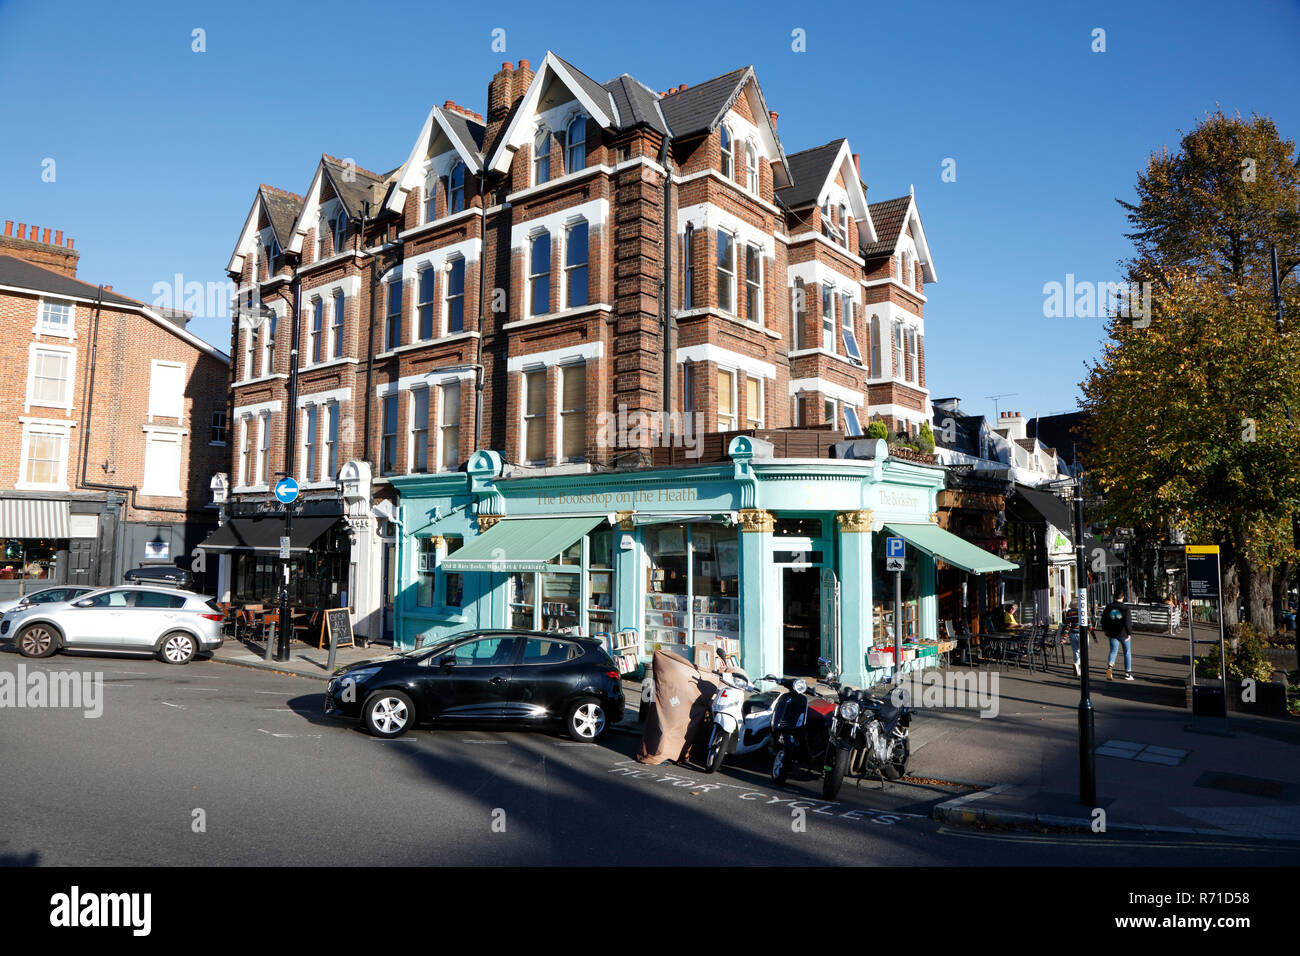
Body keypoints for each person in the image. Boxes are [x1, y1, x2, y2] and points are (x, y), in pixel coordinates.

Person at [1100, 594, 1133, 681]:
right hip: (1123, 633)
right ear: (1123, 597)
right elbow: (1128, 622)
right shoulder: (1126, 608)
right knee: (1127, 652)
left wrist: (1105, 630)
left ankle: (1110, 667)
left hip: (1112, 633)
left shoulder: (1109, 607)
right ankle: (1127, 673)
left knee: (1113, 651)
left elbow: (1103, 619)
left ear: (1114, 597)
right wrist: (1129, 633)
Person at [1065, 598, 1081, 677]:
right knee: (1083, 651)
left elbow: (1068, 625)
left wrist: (1064, 637)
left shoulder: (1069, 612)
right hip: (1081, 633)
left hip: (1072, 633)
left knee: (1075, 651)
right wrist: (1094, 636)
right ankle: (1077, 665)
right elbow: (1089, 624)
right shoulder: (1083, 611)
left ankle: (1078, 670)